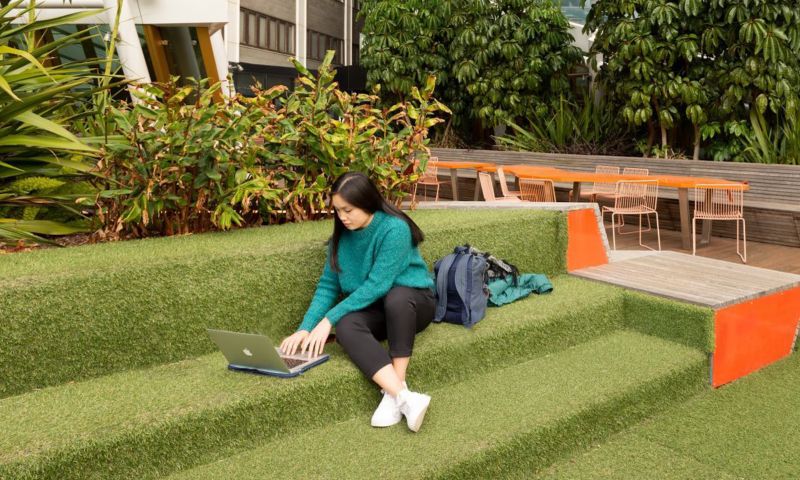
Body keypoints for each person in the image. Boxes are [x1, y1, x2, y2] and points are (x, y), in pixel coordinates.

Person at [280, 171, 436, 432]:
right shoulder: (341, 236)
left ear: (367, 202)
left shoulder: (393, 229)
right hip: (376, 307)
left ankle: (394, 388)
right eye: (338, 210)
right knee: (347, 325)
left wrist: (328, 319)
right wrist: (305, 328)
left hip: (413, 304)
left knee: (396, 299)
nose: (342, 217)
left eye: (348, 210)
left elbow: (378, 285)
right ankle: (402, 396)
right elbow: (328, 286)